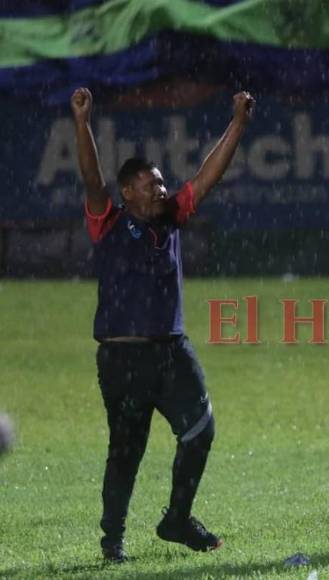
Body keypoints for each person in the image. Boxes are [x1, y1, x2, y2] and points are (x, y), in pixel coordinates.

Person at [71, 87, 254, 563]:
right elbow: (91, 177)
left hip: (172, 352)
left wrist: (237, 124)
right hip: (122, 357)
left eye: (160, 182)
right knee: (125, 451)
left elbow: (207, 176)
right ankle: (112, 542)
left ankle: (176, 517)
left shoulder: (172, 217)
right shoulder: (107, 221)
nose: (160, 188)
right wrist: (82, 122)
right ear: (128, 191)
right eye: (150, 183)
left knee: (200, 430)